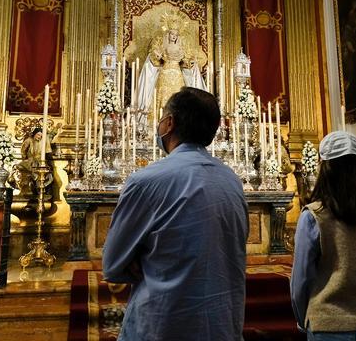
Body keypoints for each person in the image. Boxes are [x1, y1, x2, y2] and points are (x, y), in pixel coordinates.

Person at [102, 87, 248, 341]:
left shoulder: (145, 181)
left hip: (162, 324)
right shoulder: (232, 181)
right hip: (221, 325)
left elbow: (113, 265)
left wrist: (146, 262)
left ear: (168, 124)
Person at [291, 131, 356, 340]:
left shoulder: (314, 217)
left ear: (325, 169)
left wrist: (305, 318)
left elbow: (301, 281)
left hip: (331, 325)